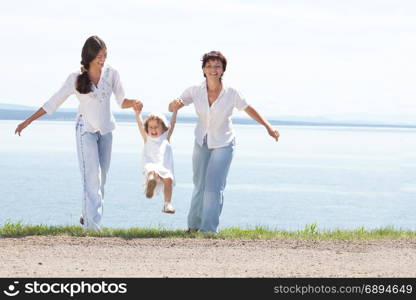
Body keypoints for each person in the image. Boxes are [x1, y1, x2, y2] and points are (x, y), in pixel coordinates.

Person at [14, 35, 142, 230]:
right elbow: (53, 102)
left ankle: (86, 215)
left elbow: (121, 101)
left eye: (104, 55)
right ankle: (92, 228)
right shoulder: (75, 78)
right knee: (91, 177)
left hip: (106, 132)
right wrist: (28, 121)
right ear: (89, 56)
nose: (102, 59)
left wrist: (133, 103)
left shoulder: (112, 74)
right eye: (99, 56)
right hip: (86, 131)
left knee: (102, 179)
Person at [168, 50, 279, 233]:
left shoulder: (231, 93)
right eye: (209, 66)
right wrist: (174, 105)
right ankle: (193, 227)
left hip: (224, 143)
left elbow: (249, 109)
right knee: (199, 184)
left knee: (213, 186)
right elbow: (176, 104)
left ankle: (209, 230)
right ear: (203, 69)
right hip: (201, 141)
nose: (213, 69)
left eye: (217, 66)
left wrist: (268, 127)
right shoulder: (194, 90)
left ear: (222, 70)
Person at [134, 105, 177, 214]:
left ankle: (167, 205)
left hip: (164, 165)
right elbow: (140, 124)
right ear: (147, 128)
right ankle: (151, 184)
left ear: (163, 127)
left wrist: (175, 110)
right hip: (151, 163)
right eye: (151, 127)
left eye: (156, 127)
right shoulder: (147, 137)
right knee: (152, 173)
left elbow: (172, 123)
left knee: (169, 180)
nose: (153, 130)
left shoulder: (165, 137)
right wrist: (137, 113)